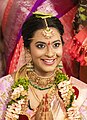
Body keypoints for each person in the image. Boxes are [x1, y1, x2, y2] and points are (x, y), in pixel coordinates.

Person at [0, 12, 87, 120]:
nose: (50, 53)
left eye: (56, 45)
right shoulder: (4, 89)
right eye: (41, 46)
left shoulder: (80, 93)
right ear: (27, 50)